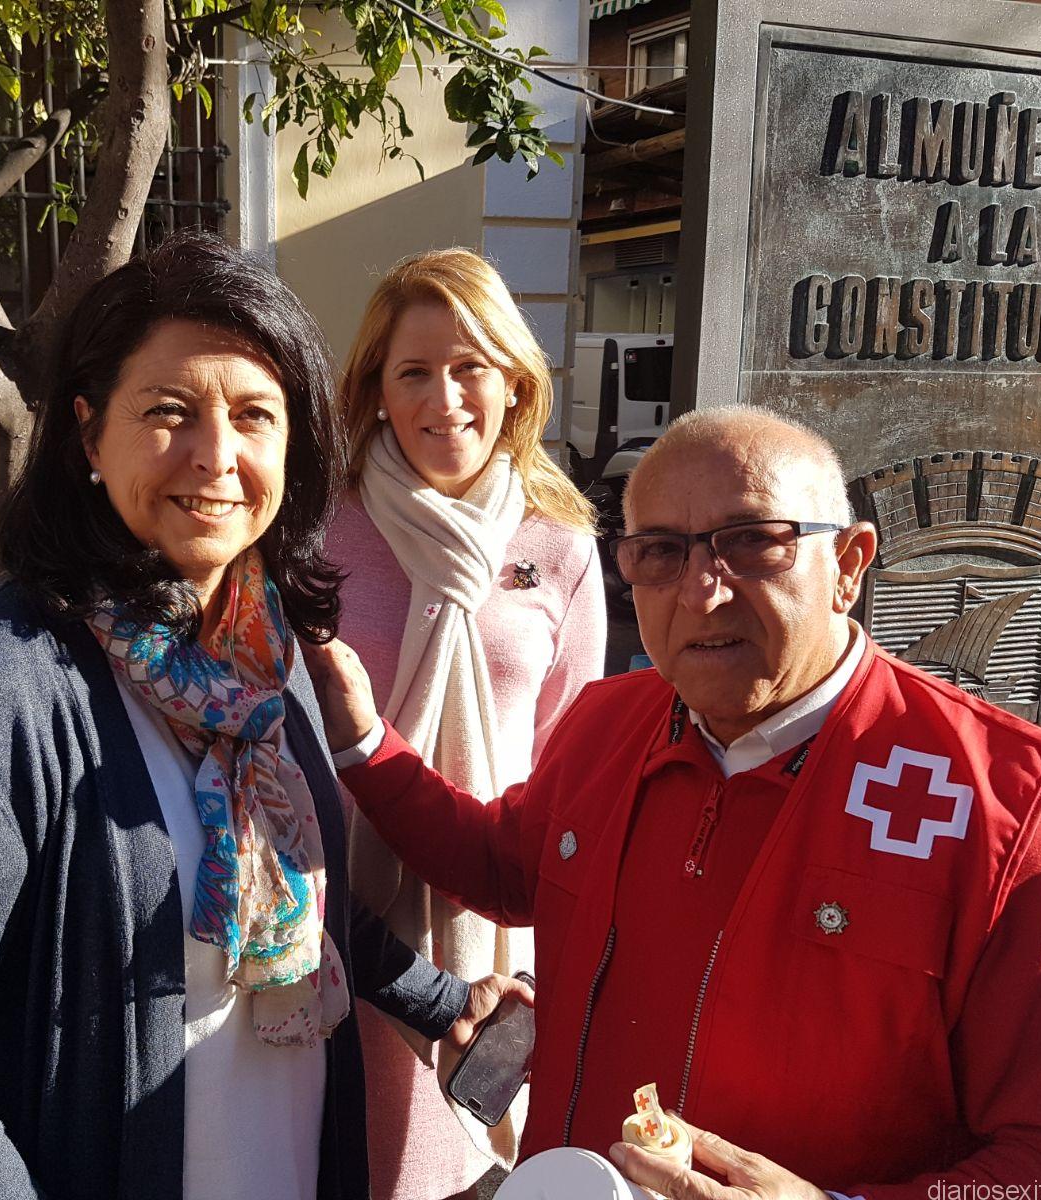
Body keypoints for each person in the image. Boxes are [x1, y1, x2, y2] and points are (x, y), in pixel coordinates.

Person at [0, 233, 528, 1200]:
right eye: (169, 412)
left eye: (254, 415)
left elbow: (304, 895)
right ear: (87, 436)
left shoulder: (263, 656)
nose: (216, 456)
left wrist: (445, 1002)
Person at [306, 406, 1041, 1195]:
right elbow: (501, 866)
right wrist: (362, 741)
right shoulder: (607, 722)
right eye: (660, 553)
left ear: (848, 565)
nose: (701, 591)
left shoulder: (1005, 808)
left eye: (752, 543)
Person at [325, 248, 605, 1199]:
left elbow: (570, 761)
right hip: (337, 922)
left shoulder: (561, 545)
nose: (444, 398)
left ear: (515, 382)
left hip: (492, 925)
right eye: (414, 371)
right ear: (376, 389)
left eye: (470, 366)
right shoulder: (317, 530)